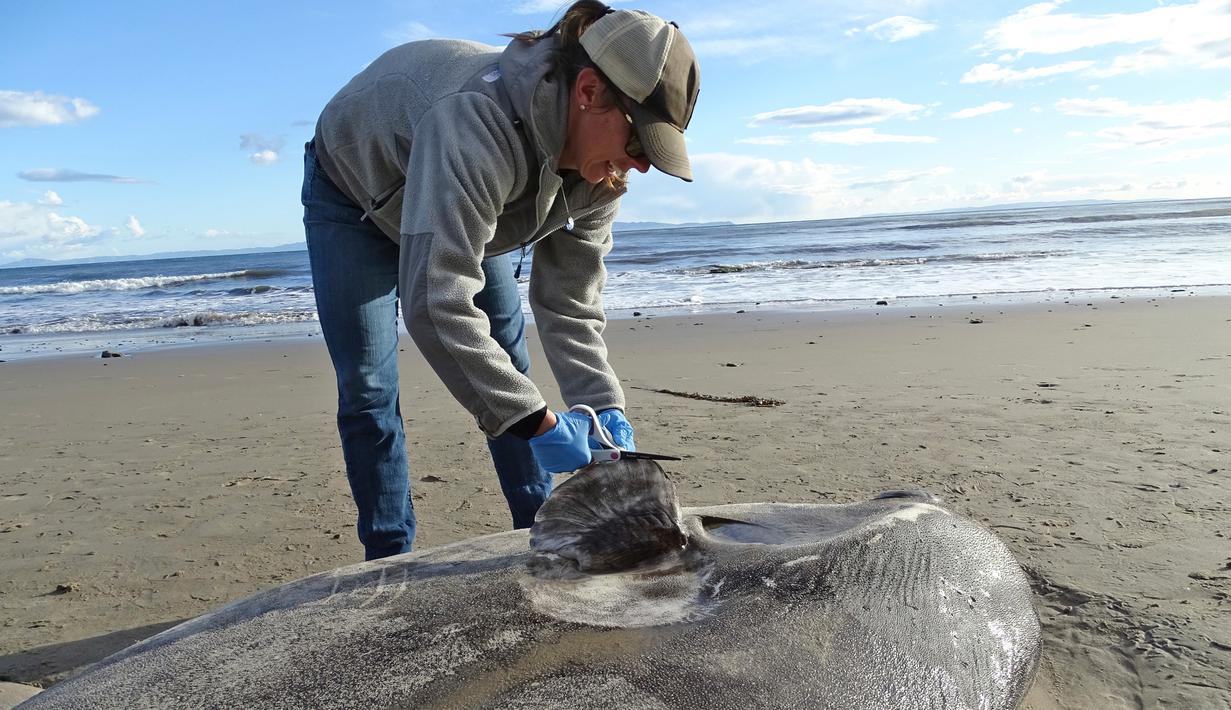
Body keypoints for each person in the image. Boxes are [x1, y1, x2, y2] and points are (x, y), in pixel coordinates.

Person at [301, 1, 701, 560]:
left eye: (654, 156)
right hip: (357, 191)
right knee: (369, 387)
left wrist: (603, 406)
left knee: (507, 364)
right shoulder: (476, 125)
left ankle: (539, 533)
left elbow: (570, 303)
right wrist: (536, 424)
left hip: (477, 205)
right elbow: (435, 304)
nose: (639, 166)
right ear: (588, 92)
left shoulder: (599, 176)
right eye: (639, 144)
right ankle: (388, 556)